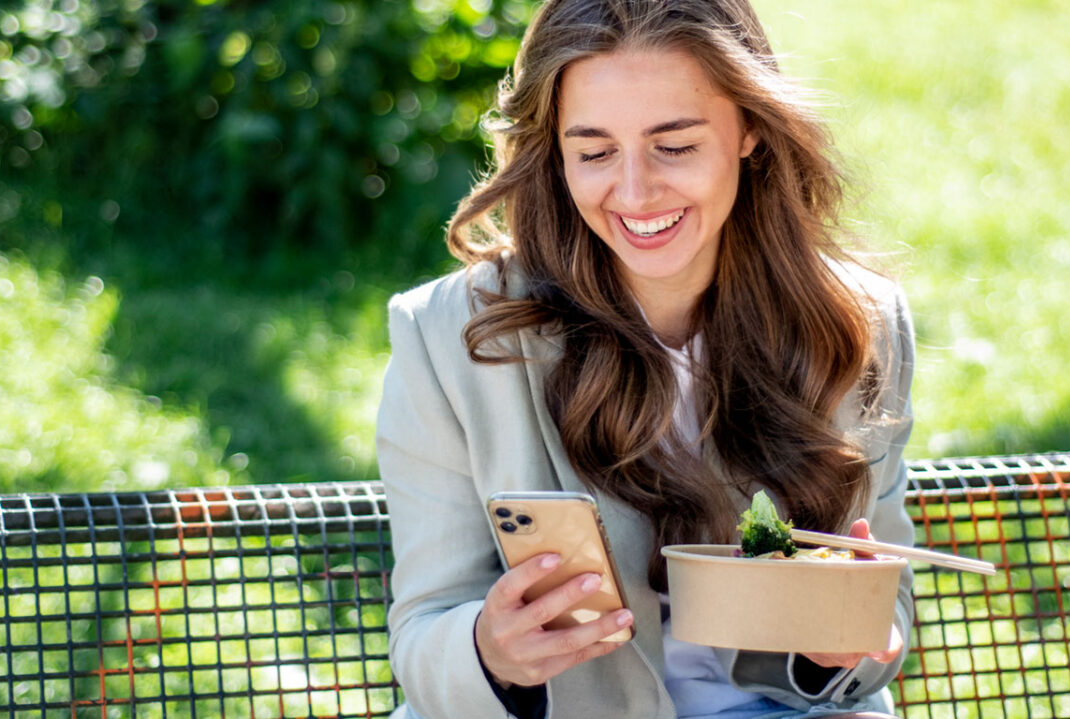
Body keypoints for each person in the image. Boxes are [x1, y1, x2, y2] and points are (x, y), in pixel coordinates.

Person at [375, 1, 916, 717]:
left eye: (676, 145)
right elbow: (424, 629)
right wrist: (489, 651)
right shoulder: (447, 335)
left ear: (751, 128)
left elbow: (885, 614)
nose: (633, 193)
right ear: (555, 150)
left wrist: (836, 646)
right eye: (594, 152)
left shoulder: (857, 321)